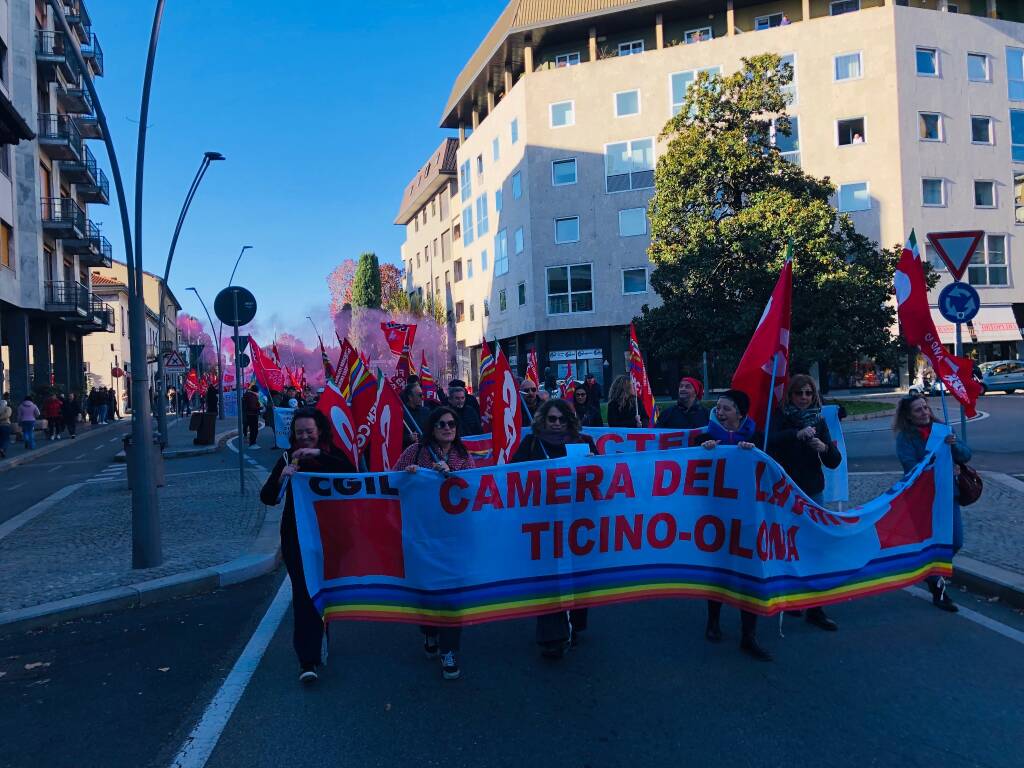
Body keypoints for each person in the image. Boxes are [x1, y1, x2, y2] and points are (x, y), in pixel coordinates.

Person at [260, 407, 357, 685]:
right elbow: (267, 496)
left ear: (320, 432)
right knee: (304, 595)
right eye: (299, 432)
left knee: (325, 592)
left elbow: (351, 474)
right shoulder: (287, 458)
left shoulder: (333, 454)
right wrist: (283, 477)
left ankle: (323, 629)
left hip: (332, 537)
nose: (304, 437)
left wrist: (319, 456)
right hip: (297, 537)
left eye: (309, 432)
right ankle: (307, 659)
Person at [395, 406, 477, 680]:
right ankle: (429, 631)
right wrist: (409, 474)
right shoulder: (415, 452)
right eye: (441, 424)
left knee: (452, 595)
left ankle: (449, 650)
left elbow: (473, 491)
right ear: (432, 428)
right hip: (422, 536)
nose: (447, 428)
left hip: (454, 538)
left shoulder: (463, 456)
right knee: (427, 590)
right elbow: (391, 481)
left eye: (451, 423)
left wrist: (451, 474)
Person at [511, 399, 597, 658]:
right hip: (543, 523)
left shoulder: (583, 443)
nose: (557, 424)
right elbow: (512, 477)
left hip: (577, 522)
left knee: (578, 576)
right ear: (543, 420)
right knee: (549, 579)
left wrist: (597, 465)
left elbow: (601, 483)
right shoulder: (531, 443)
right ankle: (551, 637)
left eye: (562, 419)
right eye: (552, 419)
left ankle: (575, 623)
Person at [700, 389, 773, 661]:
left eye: (726, 409)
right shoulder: (706, 438)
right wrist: (704, 451)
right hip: (717, 515)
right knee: (718, 570)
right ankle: (713, 622)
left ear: (740, 414)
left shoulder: (757, 439)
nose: (720, 412)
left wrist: (755, 454)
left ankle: (748, 634)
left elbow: (771, 471)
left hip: (750, 516)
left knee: (750, 572)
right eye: (718, 408)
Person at [767, 374, 843, 631]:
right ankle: (790, 597)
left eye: (808, 393)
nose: (804, 398)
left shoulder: (819, 420)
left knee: (815, 546)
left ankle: (816, 607)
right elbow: (767, 443)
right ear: (790, 395)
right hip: (785, 491)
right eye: (799, 393)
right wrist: (795, 434)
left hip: (812, 490)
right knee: (789, 544)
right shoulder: (779, 417)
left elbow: (834, 461)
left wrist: (824, 448)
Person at [894, 395, 971, 613]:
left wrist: (953, 446)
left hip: (948, 495)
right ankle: (939, 590)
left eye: (926, 408)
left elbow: (966, 456)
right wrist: (937, 458)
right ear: (908, 415)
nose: (925, 412)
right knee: (931, 543)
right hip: (922, 498)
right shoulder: (905, 437)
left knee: (955, 541)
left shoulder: (944, 429)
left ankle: (931, 573)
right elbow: (910, 466)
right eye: (918, 410)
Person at [0, 393, 12, 458]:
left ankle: (1, 449)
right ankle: (3, 450)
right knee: (6, 439)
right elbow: (7, 415)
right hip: (5, 425)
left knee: (1, 438)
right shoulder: (8, 408)